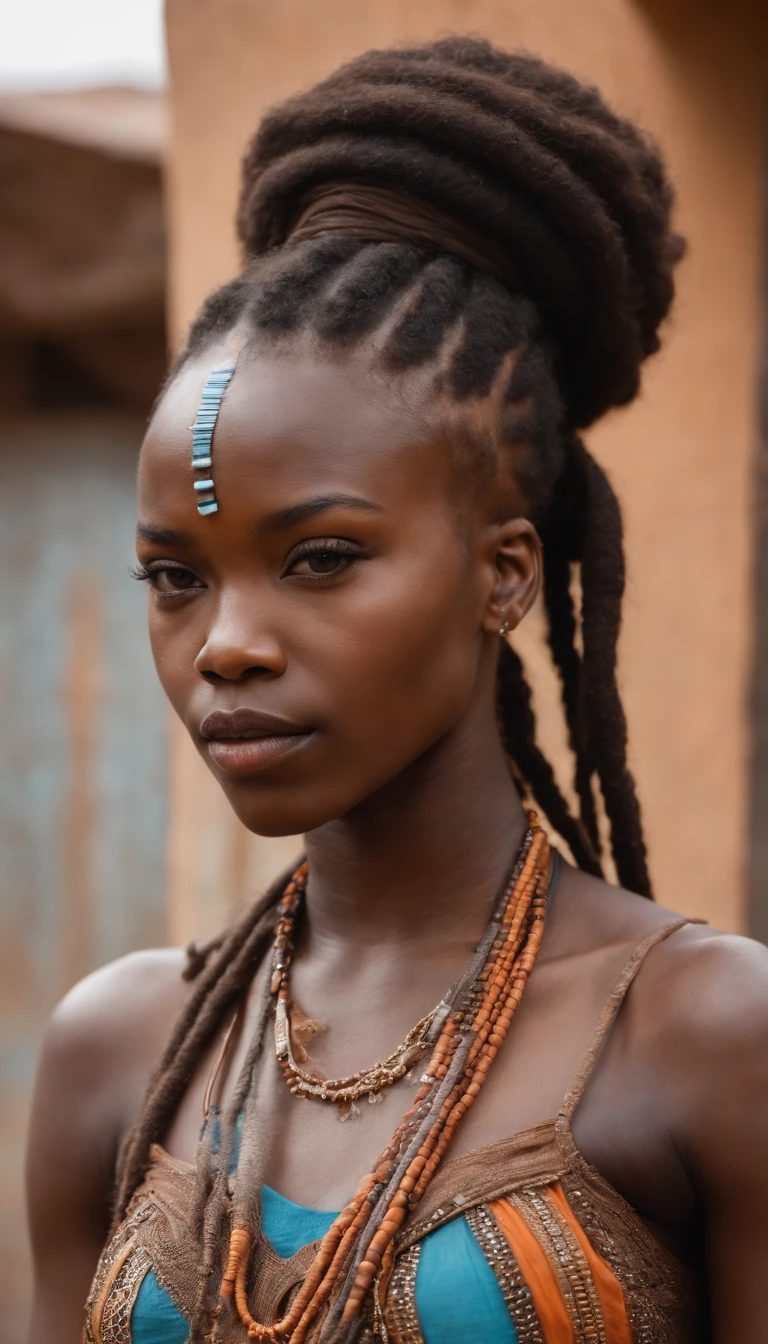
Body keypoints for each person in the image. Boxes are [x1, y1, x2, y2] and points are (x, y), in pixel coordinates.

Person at [26, 36, 768, 1344]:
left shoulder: (705, 1038)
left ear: (505, 575)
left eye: (320, 559)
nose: (226, 646)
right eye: (173, 577)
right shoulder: (120, 1049)